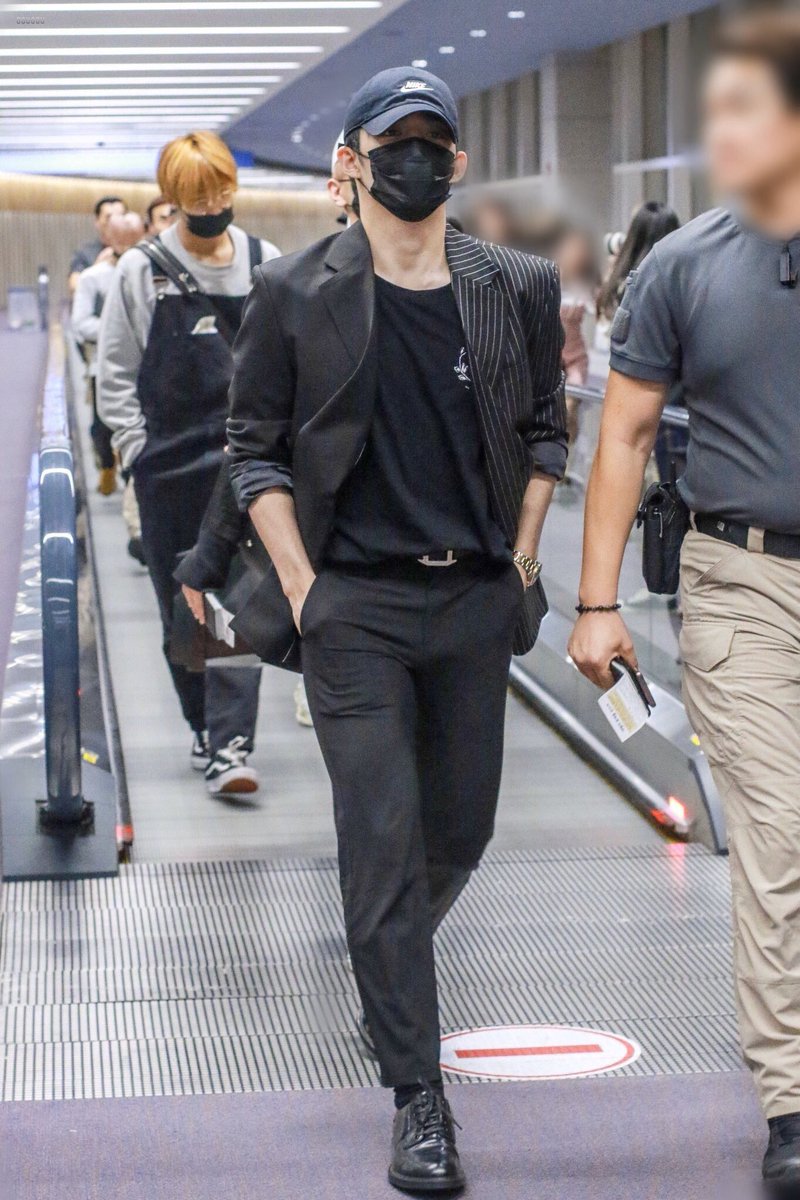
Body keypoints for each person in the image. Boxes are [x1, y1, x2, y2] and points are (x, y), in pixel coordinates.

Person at [226, 66, 566, 1193]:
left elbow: (544, 430)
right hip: (355, 608)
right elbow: (254, 449)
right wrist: (303, 586)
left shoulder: (512, 284)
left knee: (456, 832)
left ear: (456, 162)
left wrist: (523, 561)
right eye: (393, 142)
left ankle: (386, 967)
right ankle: (418, 1098)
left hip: (472, 597)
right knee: (380, 835)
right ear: (355, 160)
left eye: (432, 143)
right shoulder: (296, 289)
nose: (414, 160)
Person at [567, 12, 800, 1192]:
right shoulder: (682, 264)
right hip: (740, 579)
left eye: (743, 108)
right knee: (779, 834)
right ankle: (791, 1096)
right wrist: (594, 602)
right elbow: (620, 435)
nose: (720, 133)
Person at [97, 130, 280, 797]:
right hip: (167, 468)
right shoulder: (140, 271)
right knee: (182, 604)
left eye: (221, 193)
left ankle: (231, 744)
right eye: (198, 198)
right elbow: (115, 372)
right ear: (173, 199)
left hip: (246, 466)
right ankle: (203, 726)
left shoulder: (265, 262)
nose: (212, 207)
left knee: (239, 599)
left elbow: (287, 364)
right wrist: (134, 450)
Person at [72, 212, 145, 499]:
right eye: (121, 239)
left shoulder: (149, 271)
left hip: (146, 368)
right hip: (102, 366)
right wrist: (118, 329)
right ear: (107, 239)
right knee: (103, 428)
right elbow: (80, 323)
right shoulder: (93, 277)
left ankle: (131, 483)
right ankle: (106, 465)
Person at [68, 195, 127, 296]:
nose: (115, 223)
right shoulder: (85, 253)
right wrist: (97, 268)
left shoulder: (137, 251)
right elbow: (75, 287)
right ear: (97, 222)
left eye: (120, 216)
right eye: (109, 217)